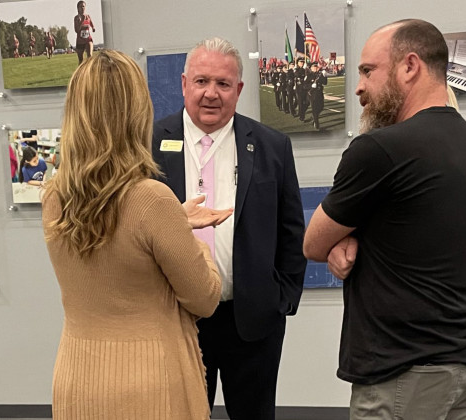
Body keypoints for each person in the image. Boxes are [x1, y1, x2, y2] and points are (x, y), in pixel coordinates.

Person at [303, 19, 466, 420]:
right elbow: (416, 231)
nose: (358, 87)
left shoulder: (379, 149)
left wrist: (344, 238)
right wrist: (356, 237)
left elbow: (313, 244)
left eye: (368, 71)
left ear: (410, 66)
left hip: (406, 373)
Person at [43, 50, 233, 419]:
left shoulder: (54, 197)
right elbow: (205, 298)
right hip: (146, 383)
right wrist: (188, 236)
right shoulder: (151, 199)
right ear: (136, 112)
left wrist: (173, 222)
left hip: (78, 379)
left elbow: (112, 241)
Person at [151, 37, 306, 420]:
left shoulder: (272, 146)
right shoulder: (149, 143)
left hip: (251, 321)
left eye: (223, 84)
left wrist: (281, 299)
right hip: (177, 318)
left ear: (238, 90)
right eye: (202, 81)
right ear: (184, 83)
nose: (211, 94)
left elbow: (291, 230)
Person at [306, 62, 328, 130]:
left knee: (321, 107)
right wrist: (310, 86)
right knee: (314, 109)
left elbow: (325, 83)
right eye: (313, 67)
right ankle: (316, 123)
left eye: (316, 67)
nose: (315, 68)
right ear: (311, 68)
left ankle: (314, 117)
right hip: (312, 94)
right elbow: (305, 85)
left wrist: (324, 76)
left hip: (319, 93)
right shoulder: (308, 75)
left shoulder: (320, 75)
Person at [73, 0, 95, 65]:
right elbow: (76, 30)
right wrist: (81, 21)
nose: (82, 8)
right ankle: (81, 73)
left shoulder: (88, 16)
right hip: (80, 41)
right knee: (81, 60)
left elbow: (91, 23)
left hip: (88, 39)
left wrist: (93, 28)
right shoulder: (76, 18)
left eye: (83, 6)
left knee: (90, 56)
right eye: (81, 7)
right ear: (78, 8)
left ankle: (90, 72)